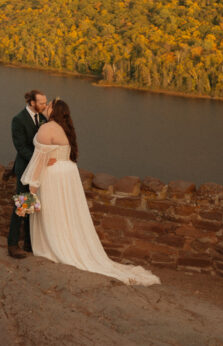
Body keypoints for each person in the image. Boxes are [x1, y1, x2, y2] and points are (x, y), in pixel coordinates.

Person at [22, 98, 160, 286]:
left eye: (50, 105)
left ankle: (53, 246)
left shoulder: (47, 128)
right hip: (67, 174)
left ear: (55, 111)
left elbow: (39, 159)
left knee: (52, 211)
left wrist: (32, 186)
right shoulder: (65, 129)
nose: (46, 107)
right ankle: (66, 243)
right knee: (66, 213)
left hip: (54, 175)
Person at [7, 89, 48, 258]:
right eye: (42, 103)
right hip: (25, 168)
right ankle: (12, 244)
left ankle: (30, 244)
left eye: (46, 102)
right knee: (22, 205)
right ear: (32, 103)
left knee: (33, 205)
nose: (45, 105)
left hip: (38, 169)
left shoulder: (43, 118)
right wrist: (40, 161)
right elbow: (21, 147)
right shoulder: (18, 120)